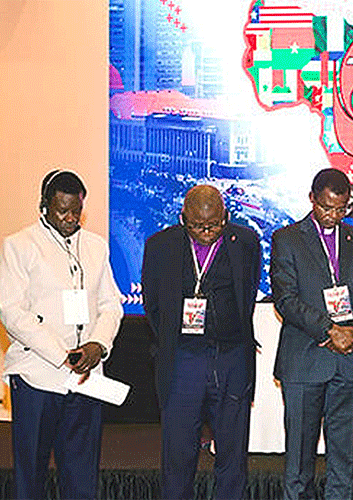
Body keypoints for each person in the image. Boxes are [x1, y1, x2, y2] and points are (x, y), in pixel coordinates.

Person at [0, 170, 123, 499]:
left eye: (75, 211)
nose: (70, 218)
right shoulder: (19, 245)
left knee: (82, 476)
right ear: (44, 206)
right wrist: (61, 355)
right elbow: (12, 312)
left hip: (86, 378)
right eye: (61, 211)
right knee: (31, 475)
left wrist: (98, 344)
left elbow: (112, 304)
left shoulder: (96, 246)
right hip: (38, 375)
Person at [141, 184, 261, 500]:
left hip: (230, 357)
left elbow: (246, 297)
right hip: (183, 359)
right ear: (183, 219)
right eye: (197, 225)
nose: (207, 232)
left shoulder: (245, 242)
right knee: (178, 456)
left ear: (226, 216)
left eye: (215, 224)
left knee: (232, 456)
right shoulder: (160, 246)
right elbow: (152, 304)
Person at [271, 168, 353, 500]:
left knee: (343, 463)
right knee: (299, 464)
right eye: (326, 207)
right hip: (304, 360)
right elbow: (286, 299)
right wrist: (329, 329)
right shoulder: (287, 239)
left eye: (341, 208)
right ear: (312, 199)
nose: (333, 215)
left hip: (349, 359)